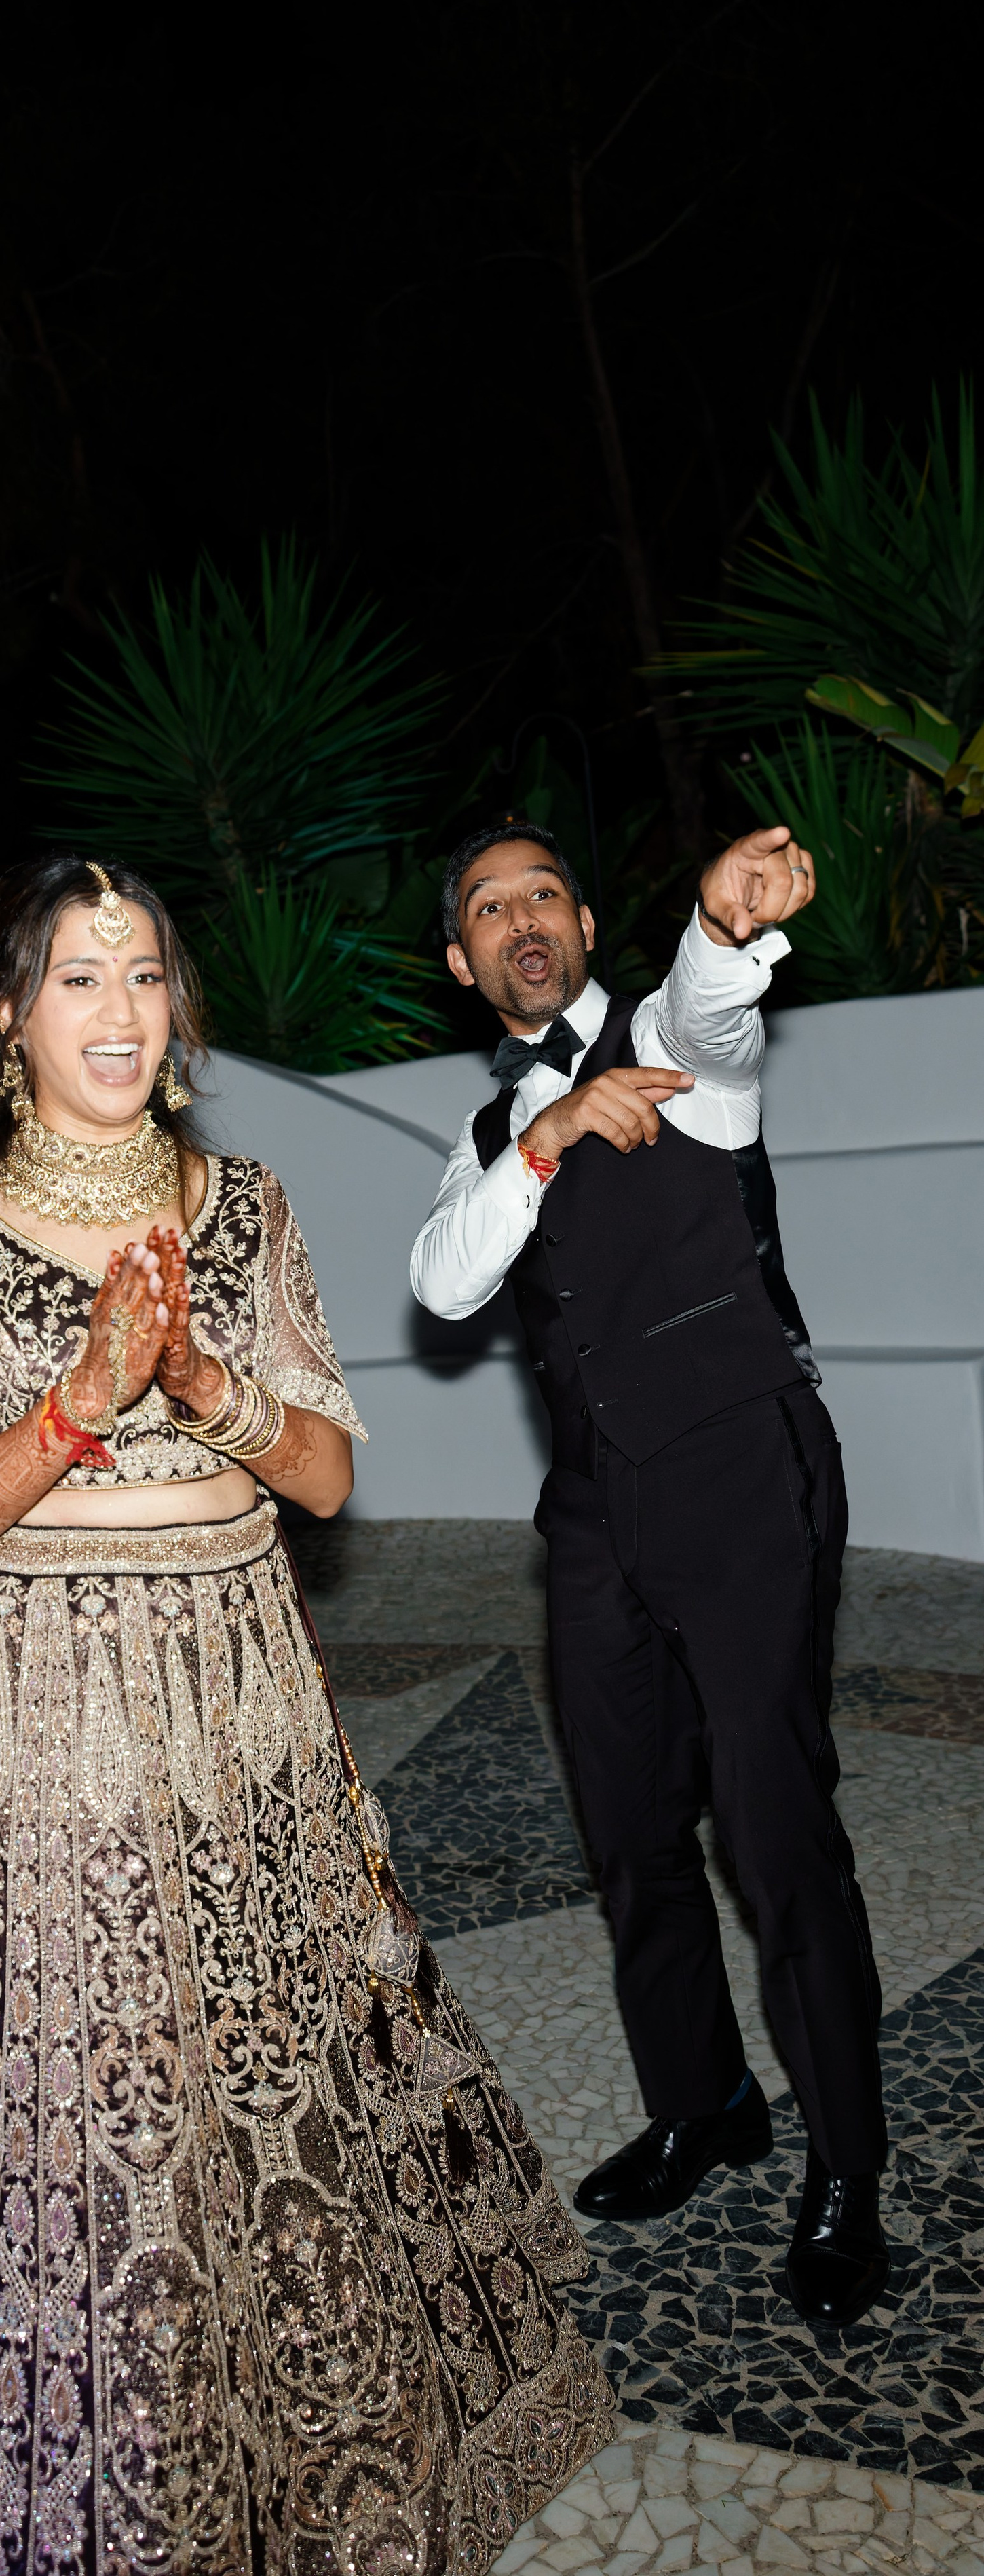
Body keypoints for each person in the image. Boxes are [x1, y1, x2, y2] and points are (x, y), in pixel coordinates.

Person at [0, 855, 612, 2575]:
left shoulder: (241, 1205)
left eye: (145, 976)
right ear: (8, 1017)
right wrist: (81, 1401)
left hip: (240, 1698)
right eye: (78, 978)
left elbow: (324, 1476)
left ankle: (320, 2457)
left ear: (178, 1012)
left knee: (274, 2086)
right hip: (42, 1726)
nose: (118, 1011)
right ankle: (107, 2487)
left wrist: (200, 1382)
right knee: (96, 2109)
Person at [411, 817, 886, 2326]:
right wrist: (544, 1139)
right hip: (596, 1502)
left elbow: (710, 1009)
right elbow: (443, 1278)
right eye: (488, 908)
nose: (519, 918)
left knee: (771, 1825)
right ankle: (704, 2106)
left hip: (741, 1461)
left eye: (542, 890)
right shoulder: (484, 1137)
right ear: (461, 961)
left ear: (585, 917)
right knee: (627, 1828)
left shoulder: (684, 1049)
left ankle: (844, 2167)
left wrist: (721, 924)